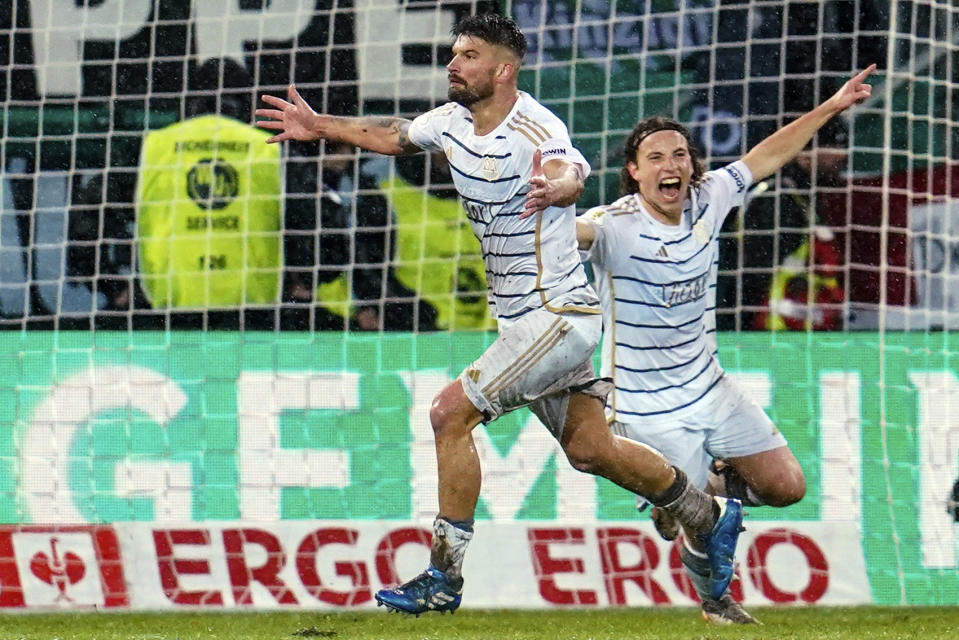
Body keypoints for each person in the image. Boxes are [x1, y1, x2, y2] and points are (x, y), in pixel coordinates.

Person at [256, 12, 744, 616]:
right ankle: (703, 511)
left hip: (558, 316)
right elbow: (391, 134)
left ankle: (443, 578)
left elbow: (570, 171)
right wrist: (318, 125)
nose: (452, 65)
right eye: (454, 54)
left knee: (448, 414)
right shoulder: (452, 122)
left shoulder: (538, 127)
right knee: (591, 450)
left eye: (467, 56)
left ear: (504, 69)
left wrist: (558, 189)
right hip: (524, 322)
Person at [576, 65, 875, 623]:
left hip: (710, 385)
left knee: (787, 488)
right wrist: (526, 213)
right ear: (633, 172)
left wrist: (832, 106)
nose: (672, 166)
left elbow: (771, 152)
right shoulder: (612, 224)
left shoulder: (712, 196)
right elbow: (572, 234)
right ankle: (716, 601)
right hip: (644, 404)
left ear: (693, 164)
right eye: (657, 158)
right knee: (691, 525)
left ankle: (693, 489)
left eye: (680, 155)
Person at [718, 118, 851, 331]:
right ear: (804, 154)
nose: (844, 156)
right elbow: (756, 274)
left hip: (777, 327)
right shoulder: (777, 199)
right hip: (758, 332)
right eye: (835, 146)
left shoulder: (800, 196)